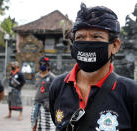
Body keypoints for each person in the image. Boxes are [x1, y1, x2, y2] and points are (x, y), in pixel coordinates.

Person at [49, 3, 137, 131]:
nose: (87, 42)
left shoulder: (131, 93)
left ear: (115, 46)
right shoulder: (58, 86)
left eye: (96, 36)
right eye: (80, 37)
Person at [31, 56, 56, 131]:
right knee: (34, 122)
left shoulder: (52, 77)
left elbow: (55, 91)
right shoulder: (36, 76)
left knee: (47, 125)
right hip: (36, 103)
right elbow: (37, 87)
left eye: (44, 64)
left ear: (48, 66)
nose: (42, 65)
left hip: (46, 104)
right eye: (40, 64)